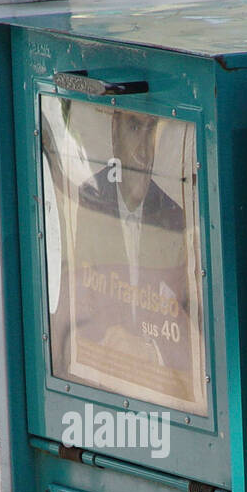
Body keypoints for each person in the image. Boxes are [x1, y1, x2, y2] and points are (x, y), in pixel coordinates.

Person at [49, 106, 201, 412]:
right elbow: (72, 301)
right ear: (114, 135)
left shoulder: (176, 215)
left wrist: (153, 352)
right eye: (134, 128)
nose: (144, 150)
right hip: (98, 392)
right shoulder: (87, 201)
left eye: (151, 131)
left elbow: (188, 313)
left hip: (162, 393)